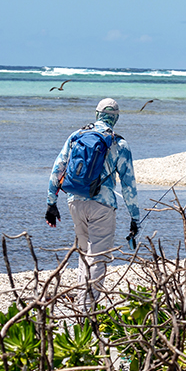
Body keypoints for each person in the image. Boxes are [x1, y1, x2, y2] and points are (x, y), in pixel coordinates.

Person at [46, 98, 140, 312]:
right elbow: (129, 187)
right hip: (103, 205)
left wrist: (51, 203)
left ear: (97, 114)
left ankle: (82, 303)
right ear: (116, 118)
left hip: (74, 202)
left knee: (83, 254)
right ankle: (87, 310)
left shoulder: (76, 136)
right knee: (98, 258)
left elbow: (57, 168)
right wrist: (135, 218)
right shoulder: (119, 144)